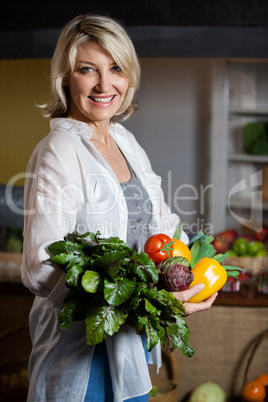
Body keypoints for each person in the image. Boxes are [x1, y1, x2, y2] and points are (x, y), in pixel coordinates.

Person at [21, 14, 218, 402]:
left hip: (131, 347)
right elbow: (39, 267)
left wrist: (195, 273)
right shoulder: (59, 151)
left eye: (115, 69)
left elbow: (163, 225)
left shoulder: (126, 142)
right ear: (66, 77)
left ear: (129, 77)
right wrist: (136, 296)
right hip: (78, 356)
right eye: (87, 70)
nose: (104, 85)